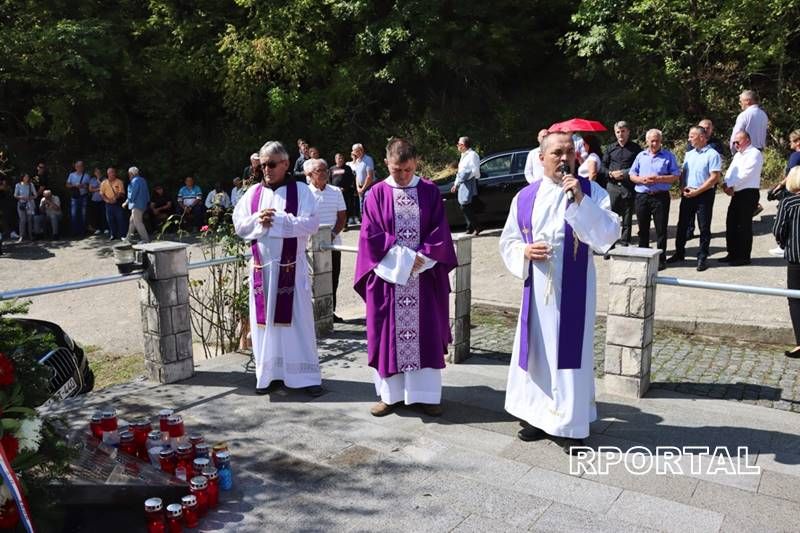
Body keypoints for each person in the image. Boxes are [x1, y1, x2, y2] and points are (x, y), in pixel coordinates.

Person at [499, 132, 620, 453]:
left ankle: (570, 424)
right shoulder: (524, 197)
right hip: (538, 294)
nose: (564, 158)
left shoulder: (592, 191)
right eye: (556, 153)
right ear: (542, 158)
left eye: (570, 152)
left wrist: (581, 200)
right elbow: (507, 241)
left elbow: (607, 235)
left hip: (574, 294)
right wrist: (524, 251)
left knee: (571, 357)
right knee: (537, 353)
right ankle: (537, 417)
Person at [355, 138, 457, 417]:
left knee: (426, 333)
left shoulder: (429, 191)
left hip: (424, 278)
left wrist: (422, 258)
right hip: (389, 280)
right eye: (397, 170)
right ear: (387, 163)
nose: (402, 176)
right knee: (387, 336)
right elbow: (370, 236)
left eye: (408, 170)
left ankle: (427, 395)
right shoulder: (376, 193)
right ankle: (390, 396)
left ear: (416, 163)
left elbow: (440, 230)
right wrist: (405, 260)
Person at [232, 141, 323, 396]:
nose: (266, 170)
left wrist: (280, 220)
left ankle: (306, 377)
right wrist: (257, 221)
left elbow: (312, 224)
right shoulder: (252, 194)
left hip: (291, 270)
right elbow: (239, 225)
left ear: (285, 163)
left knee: (298, 322)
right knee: (265, 325)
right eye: (262, 165)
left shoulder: (302, 192)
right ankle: (269, 375)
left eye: (271, 164)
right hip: (262, 271)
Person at [667, 126, 722, 272]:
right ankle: (679, 253)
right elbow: (684, 172)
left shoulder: (713, 154)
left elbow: (714, 177)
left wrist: (698, 191)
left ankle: (702, 256)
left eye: (692, 136)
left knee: (704, 227)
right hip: (688, 193)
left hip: (704, 195)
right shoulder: (689, 154)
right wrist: (682, 188)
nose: (689, 139)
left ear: (702, 137)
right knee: (682, 224)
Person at [630, 129, 680, 270]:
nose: (654, 143)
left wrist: (659, 178)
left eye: (657, 140)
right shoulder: (641, 156)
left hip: (660, 197)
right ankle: (643, 257)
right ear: (647, 141)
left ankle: (661, 260)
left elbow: (676, 175)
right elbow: (632, 174)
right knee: (643, 229)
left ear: (660, 141)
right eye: (651, 140)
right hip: (642, 196)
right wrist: (641, 179)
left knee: (661, 230)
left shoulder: (668, 156)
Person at [305, 158, 347, 320]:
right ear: (309, 174)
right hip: (310, 246)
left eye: (326, 170)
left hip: (333, 244)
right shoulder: (304, 193)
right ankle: (312, 314)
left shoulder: (335, 192)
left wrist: (332, 235)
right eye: (319, 171)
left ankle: (330, 311)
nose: (324, 174)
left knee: (333, 278)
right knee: (312, 280)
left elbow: (342, 217)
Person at [720, 131, 763, 266]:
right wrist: (726, 184)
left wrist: (731, 185)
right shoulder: (738, 155)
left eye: (738, 141)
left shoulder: (754, 153)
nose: (735, 144)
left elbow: (746, 174)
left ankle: (744, 256)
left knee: (744, 226)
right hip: (737, 193)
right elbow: (731, 172)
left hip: (748, 193)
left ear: (747, 140)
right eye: (734, 142)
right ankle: (732, 253)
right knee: (731, 223)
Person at [772, 166, 800, 358]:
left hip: (796, 256)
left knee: (795, 299)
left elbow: (778, 229)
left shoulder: (788, 203)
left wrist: (783, 244)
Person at [686, 119, 727, 240]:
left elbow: (720, 161)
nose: (705, 129)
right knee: (688, 213)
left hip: (708, 182)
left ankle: (703, 244)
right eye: (702, 127)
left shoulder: (716, 144)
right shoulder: (691, 143)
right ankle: (689, 231)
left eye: (708, 127)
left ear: (712, 129)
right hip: (692, 183)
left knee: (704, 215)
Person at [602, 121, 640, 245]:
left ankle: (625, 242)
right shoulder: (610, 149)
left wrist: (624, 173)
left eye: (623, 131)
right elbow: (602, 166)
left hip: (628, 186)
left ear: (628, 132)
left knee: (627, 216)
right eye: (618, 132)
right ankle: (610, 243)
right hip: (612, 187)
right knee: (610, 216)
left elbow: (639, 166)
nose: (620, 134)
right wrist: (611, 174)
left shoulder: (635, 149)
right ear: (615, 133)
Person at [450, 136, 481, 235]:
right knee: (466, 205)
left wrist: (466, 178)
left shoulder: (472, 155)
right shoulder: (463, 155)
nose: (457, 146)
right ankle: (470, 227)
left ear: (463, 145)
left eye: (459, 144)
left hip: (470, 182)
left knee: (465, 205)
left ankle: (477, 226)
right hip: (463, 182)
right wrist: (456, 184)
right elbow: (460, 173)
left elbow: (475, 171)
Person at [100, 167, 127, 240]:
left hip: (118, 203)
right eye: (111, 173)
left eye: (113, 172)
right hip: (108, 204)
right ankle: (113, 235)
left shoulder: (119, 181)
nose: (112, 174)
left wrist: (115, 198)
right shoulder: (104, 183)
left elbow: (122, 193)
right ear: (108, 174)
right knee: (110, 220)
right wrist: (107, 200)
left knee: (120, 219)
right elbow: (102, 194)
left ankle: (123, 235)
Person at [330, 153, 356, 227]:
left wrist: (345, 188)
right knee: (335, 208)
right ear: (335, 160)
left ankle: (345, 224)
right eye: (339, 158)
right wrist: (333, 189)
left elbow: (351, 179)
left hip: (345, 192)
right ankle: (336, 224)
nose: (341, 159)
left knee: (345, 208)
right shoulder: (332, 169)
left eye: (342, 158)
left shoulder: (347, 168)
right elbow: (329, 180)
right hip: (334, 193)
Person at [65, 160, 90, 237]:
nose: (79, 168)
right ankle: (75, 231)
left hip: (83, 196)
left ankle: (82, 231)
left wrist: (83, 186)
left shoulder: (86, 175)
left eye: (80, 166)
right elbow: (67, 185)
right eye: (77, 166)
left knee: (83, 214)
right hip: (74, 197)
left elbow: (89, 187)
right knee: (74, 214)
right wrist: (74, 185)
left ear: (83, 167)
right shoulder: (71, 175)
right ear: (75, 167)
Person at [125, 167, 150, 243]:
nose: (128, 175)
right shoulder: (143, 180)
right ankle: (128, 238)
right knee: (132, 221)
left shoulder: (134, 181)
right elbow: (147, 193)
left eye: (129, 174)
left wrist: (128, 201)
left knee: (138, 222)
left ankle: (145, 240)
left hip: (136, 205)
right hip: (143, 204)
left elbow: (133, 194)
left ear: (131, 173)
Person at [352, 143, 375, 219]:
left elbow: (369, 176)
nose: (356, 152)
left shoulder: (368, 159)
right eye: (354, 151)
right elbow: (357, 176)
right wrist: (358, 187)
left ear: (362, 150)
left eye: (358, 150)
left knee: (369, 208)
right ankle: (364, 227)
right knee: (362, 209)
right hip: (361, 188)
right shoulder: (357, 161)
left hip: (369, 187)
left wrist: (363, 189)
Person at [14, 173, 37, 242]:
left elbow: (35, 195)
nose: (27, 178)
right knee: (22, 220)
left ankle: (30, 235)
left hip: (29, 204)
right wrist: (21, 197)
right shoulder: (18, 185)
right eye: (25, 177)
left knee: (30, 220)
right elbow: (15, 195)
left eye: (28, 177)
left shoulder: (31, 185)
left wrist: (30, 198)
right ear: (23, 178)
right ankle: (21, 236)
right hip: (21, 204)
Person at [88, 166, 107, 235]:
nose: (97, 173)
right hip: (94, 200)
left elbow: (105, 188)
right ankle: (98, 228)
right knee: (96, 215)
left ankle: (105, 228)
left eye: (98, 172)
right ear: (94, 173)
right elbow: (90, 189)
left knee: (103, 214)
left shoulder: (104, 179)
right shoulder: (92, 179)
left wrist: (99, 183)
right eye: (96, 172)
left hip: (103, 199)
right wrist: (98, 189)